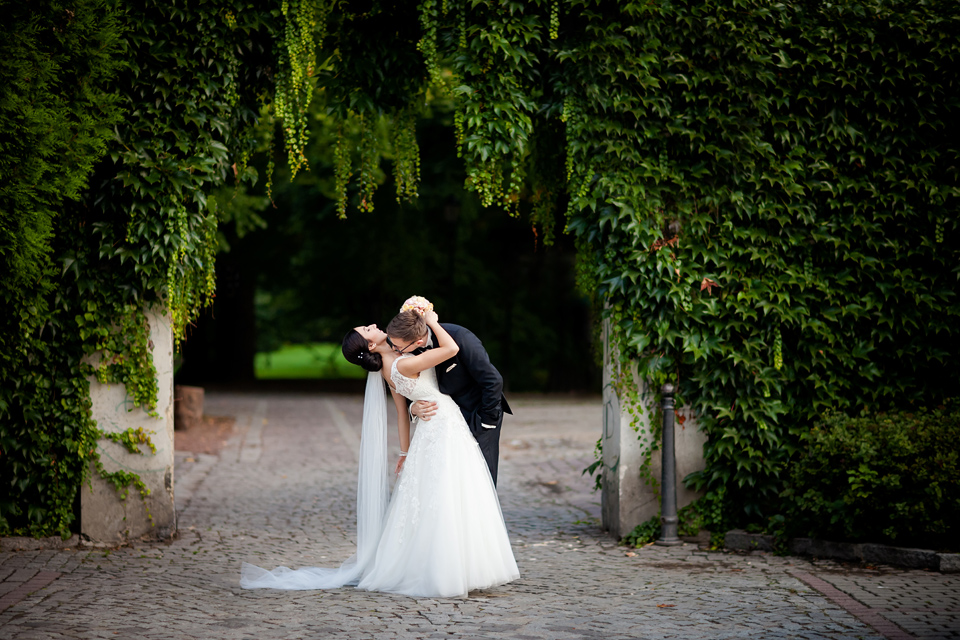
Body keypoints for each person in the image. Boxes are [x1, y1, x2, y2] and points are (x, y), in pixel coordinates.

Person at [240, 307, 519, 598]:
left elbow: (401, 412)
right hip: (443, 426)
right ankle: (452, 569)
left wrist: (406, 449)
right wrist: (433, 322)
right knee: (451, 495)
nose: (372, 324)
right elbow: (450, 348)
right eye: (367, 329)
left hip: (434, 429)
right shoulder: (399, 366)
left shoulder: (393, 365)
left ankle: (454, 564)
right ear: (371, 345)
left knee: (442, 496)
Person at [386, 311, 512, 485]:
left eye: (398, 347)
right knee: (451, 480)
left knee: (481, 478)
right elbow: (416, 386)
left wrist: (486, 421)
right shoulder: (408, 349)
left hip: (477, 413)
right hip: (446, 421)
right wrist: (413, 407)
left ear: (419, 341)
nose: (394, 350)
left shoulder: (459, 336)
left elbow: (493, 380)